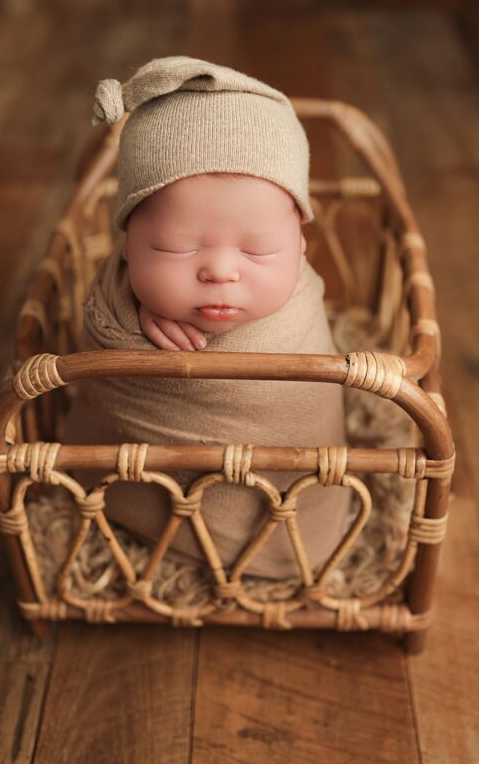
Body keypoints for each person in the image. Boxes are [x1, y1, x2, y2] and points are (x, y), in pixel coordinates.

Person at [62, 56, 351, 580]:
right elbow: (99, 354)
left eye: (259, 251)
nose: (220, 271)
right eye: (174, 248)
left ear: (301, 247)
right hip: (136, 499)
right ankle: (135, 515)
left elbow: (306, 412)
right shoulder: (115, 296)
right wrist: (136, 317)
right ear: (126, 246)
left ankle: (263, 547)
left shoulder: (300, 308)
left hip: (285, 524)